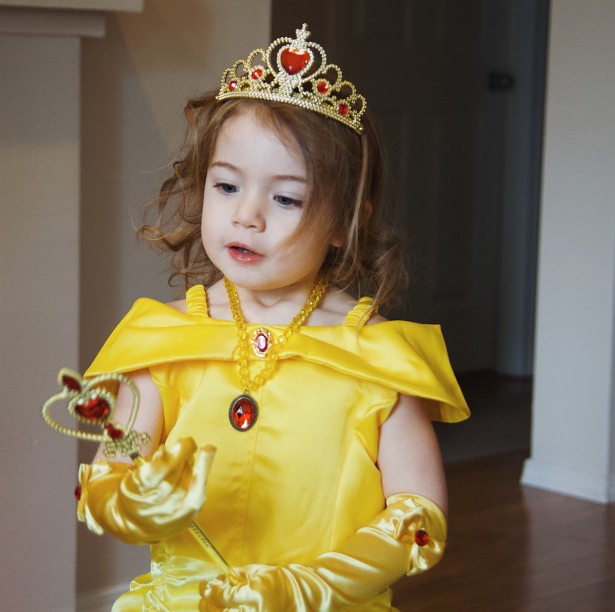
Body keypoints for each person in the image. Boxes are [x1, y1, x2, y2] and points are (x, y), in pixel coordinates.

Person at [76, 24, 470, 611]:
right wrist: (131, 503)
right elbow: (109, 473)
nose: (247, 216)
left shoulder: (380, 356)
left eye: (286, 198)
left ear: (345, 223)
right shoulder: (162, 339)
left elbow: (419, 517)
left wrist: (311, 587)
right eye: (227, 186)